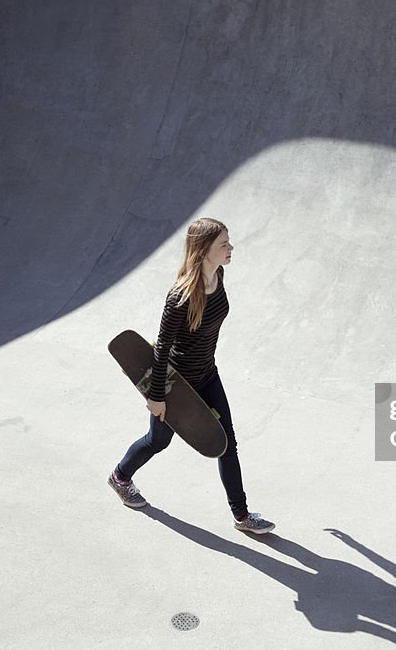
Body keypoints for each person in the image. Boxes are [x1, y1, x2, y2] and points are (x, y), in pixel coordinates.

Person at [108, 217, 275, 535]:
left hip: (208, 374)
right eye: (223, 244)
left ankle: (242, 515)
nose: (231, 248)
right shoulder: (180, 298)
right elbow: (161, 351)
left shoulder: (219, 275)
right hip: (177, 387)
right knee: (158, 441)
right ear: (203, 251)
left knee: (227, 443)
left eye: (229, 241)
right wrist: (156, 397)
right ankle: (120, 476)